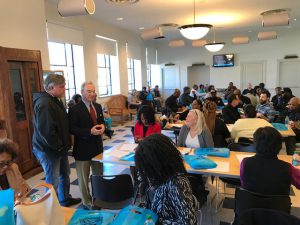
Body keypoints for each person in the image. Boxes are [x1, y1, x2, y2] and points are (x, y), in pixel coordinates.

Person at [32, 74, 81, 206]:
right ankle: (50, 208)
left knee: (64, 174)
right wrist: (59, 147)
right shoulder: (45, 103)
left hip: (59, 148)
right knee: (52, 179)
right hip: (49, 149)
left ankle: (64, 199)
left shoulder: (54, 99)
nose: (65, 89)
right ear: (51, 87)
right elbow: (46, 132)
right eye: (62, 86)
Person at [135, 134, 199, 225]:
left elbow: (189, 222)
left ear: (157, 163)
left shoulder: (177, 183)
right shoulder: (153, 177)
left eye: (146, 166)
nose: (144, 171)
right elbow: (152, 204)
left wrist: (158, 222)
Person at [68, 82, 105, 209]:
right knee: (83, 178)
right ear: (82, 92)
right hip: (82, 149)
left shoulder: (98, 106)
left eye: (93, 91)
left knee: (98, 175)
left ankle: (98, 198)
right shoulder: (74, 109)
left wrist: (103, 127)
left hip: (97, 148)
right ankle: (87, 202)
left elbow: (101, 121)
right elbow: (72, 128)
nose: (92, 94)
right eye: (88, 91)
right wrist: (89, 131)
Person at [240, 126, 300, 196]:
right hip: (278, 206)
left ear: (255, 144)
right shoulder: (288, 168)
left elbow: (244, 185)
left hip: (248, 204)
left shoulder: (245, 163)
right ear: (280, 146)